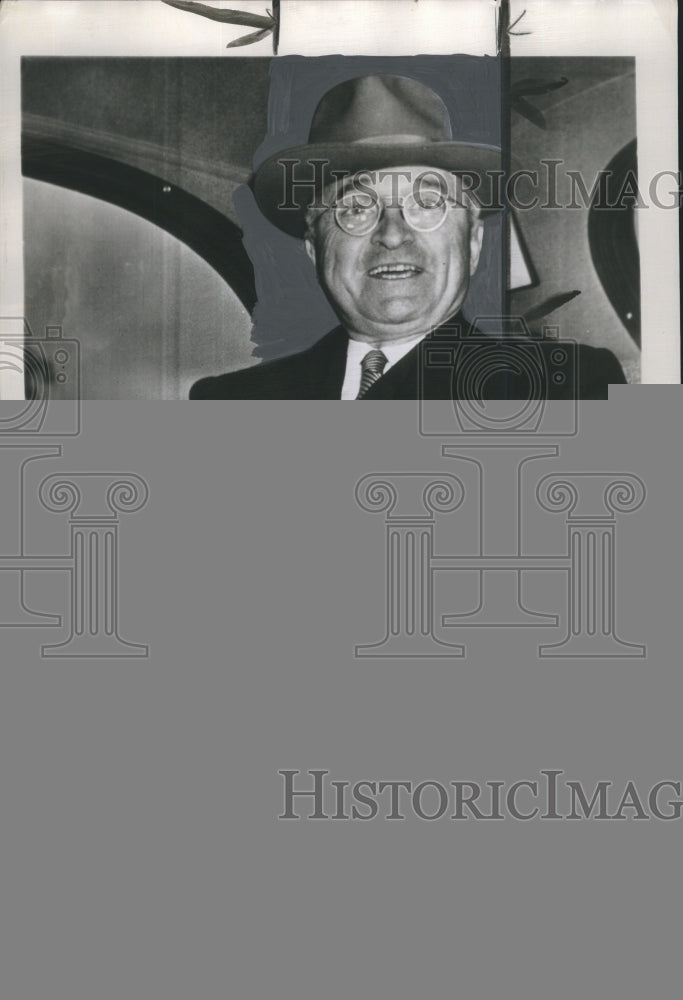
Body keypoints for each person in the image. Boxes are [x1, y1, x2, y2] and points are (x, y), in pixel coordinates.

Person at [190, 74, 625, 399]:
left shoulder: (569, 388)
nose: (394, 234)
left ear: (473, 242)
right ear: (314, 249)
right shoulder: (230, 402)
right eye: (356, 209)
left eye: (427, 205)